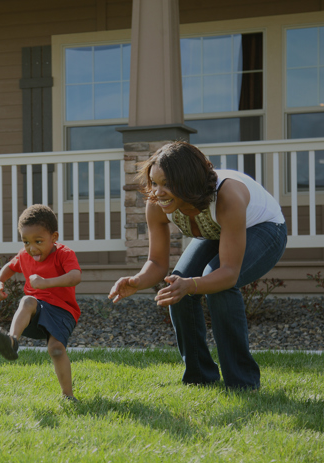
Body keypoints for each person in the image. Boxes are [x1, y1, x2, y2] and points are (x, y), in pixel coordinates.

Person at [108, 141, 287, 390]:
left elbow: (228, 274)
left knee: (218, 283)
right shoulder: (157, 204)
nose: (158, 192)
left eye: (167, 184)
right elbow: (158, 263)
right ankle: (200, 378)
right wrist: (137, 281)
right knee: (176, 284)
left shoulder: (227, 197)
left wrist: (193, 285)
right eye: (155, 183)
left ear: (188, 181)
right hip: (216, 233)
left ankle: (242, 383)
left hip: (264, 229)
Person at [0, 204, 82, 400]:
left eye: (38, 241)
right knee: (27, 300)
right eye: (25, 242)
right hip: (36, 309)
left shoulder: (64, 254)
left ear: (54, 238)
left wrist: (46, 283)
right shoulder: (25, 255)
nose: (31, 248)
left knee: (56, 350)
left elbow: (75, 276)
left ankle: (68, 396)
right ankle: (12, 341)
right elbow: (10, 266)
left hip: (63, 312)